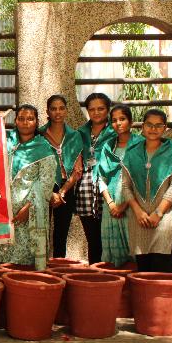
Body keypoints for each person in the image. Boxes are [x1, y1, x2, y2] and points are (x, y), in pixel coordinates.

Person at [0, 104, 57, 271]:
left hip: (28, 213)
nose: (25, 122)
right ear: (15, 121)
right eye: (21, 119)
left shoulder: (43, 148)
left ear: (37, 122)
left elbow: (45, 184)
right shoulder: (5, 141)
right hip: (2, 210)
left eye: (30, 119)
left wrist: (28, 209)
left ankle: (23, 291)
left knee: (24, 261)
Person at [121, 108, 172, 273]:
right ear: (142, 127)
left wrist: (158, 213)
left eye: (158, 125)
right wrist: (138, 212)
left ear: (165, 128)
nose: (153, 129)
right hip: (139, 220)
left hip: (166, 219)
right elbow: (125, 186)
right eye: (149, 125)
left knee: (163, 267)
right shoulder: (132, 153)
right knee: (143, 269)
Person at [96, 104, 143, 267]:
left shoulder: (142, 145)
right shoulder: (108, 147)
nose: (118, 123)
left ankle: (136, 291)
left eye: (122, 119)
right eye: (114, 120)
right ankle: (116, 290)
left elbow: (145, 179)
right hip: (111, 208)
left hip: (134, 207)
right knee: (113, 258)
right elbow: (100, 177)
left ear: (130, 121)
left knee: (135, 253)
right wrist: (110, 203)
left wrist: (124, 205)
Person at [39, 95, 83, 259]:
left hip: (66, 188)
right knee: (40, 232)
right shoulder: (39, 135)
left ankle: (58, 272)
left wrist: (62, 192)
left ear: (66, 110)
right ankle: (40, 271)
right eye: (53, 109)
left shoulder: (74, 135)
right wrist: (49, 192)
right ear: (47, 112)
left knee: (61, 234)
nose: (58, 112)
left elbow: (77, 170)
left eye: (61, 108)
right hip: (43, 187)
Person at [76, 92, 115, 264]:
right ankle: (94, 274)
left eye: (101, 109)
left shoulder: (115, 131)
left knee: (108, 238)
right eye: (92, 109)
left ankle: (109, 278)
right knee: (92, 239)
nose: (96, 112)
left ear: (108, 110)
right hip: (85, 189)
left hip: (107, 188)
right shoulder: (81, 132)